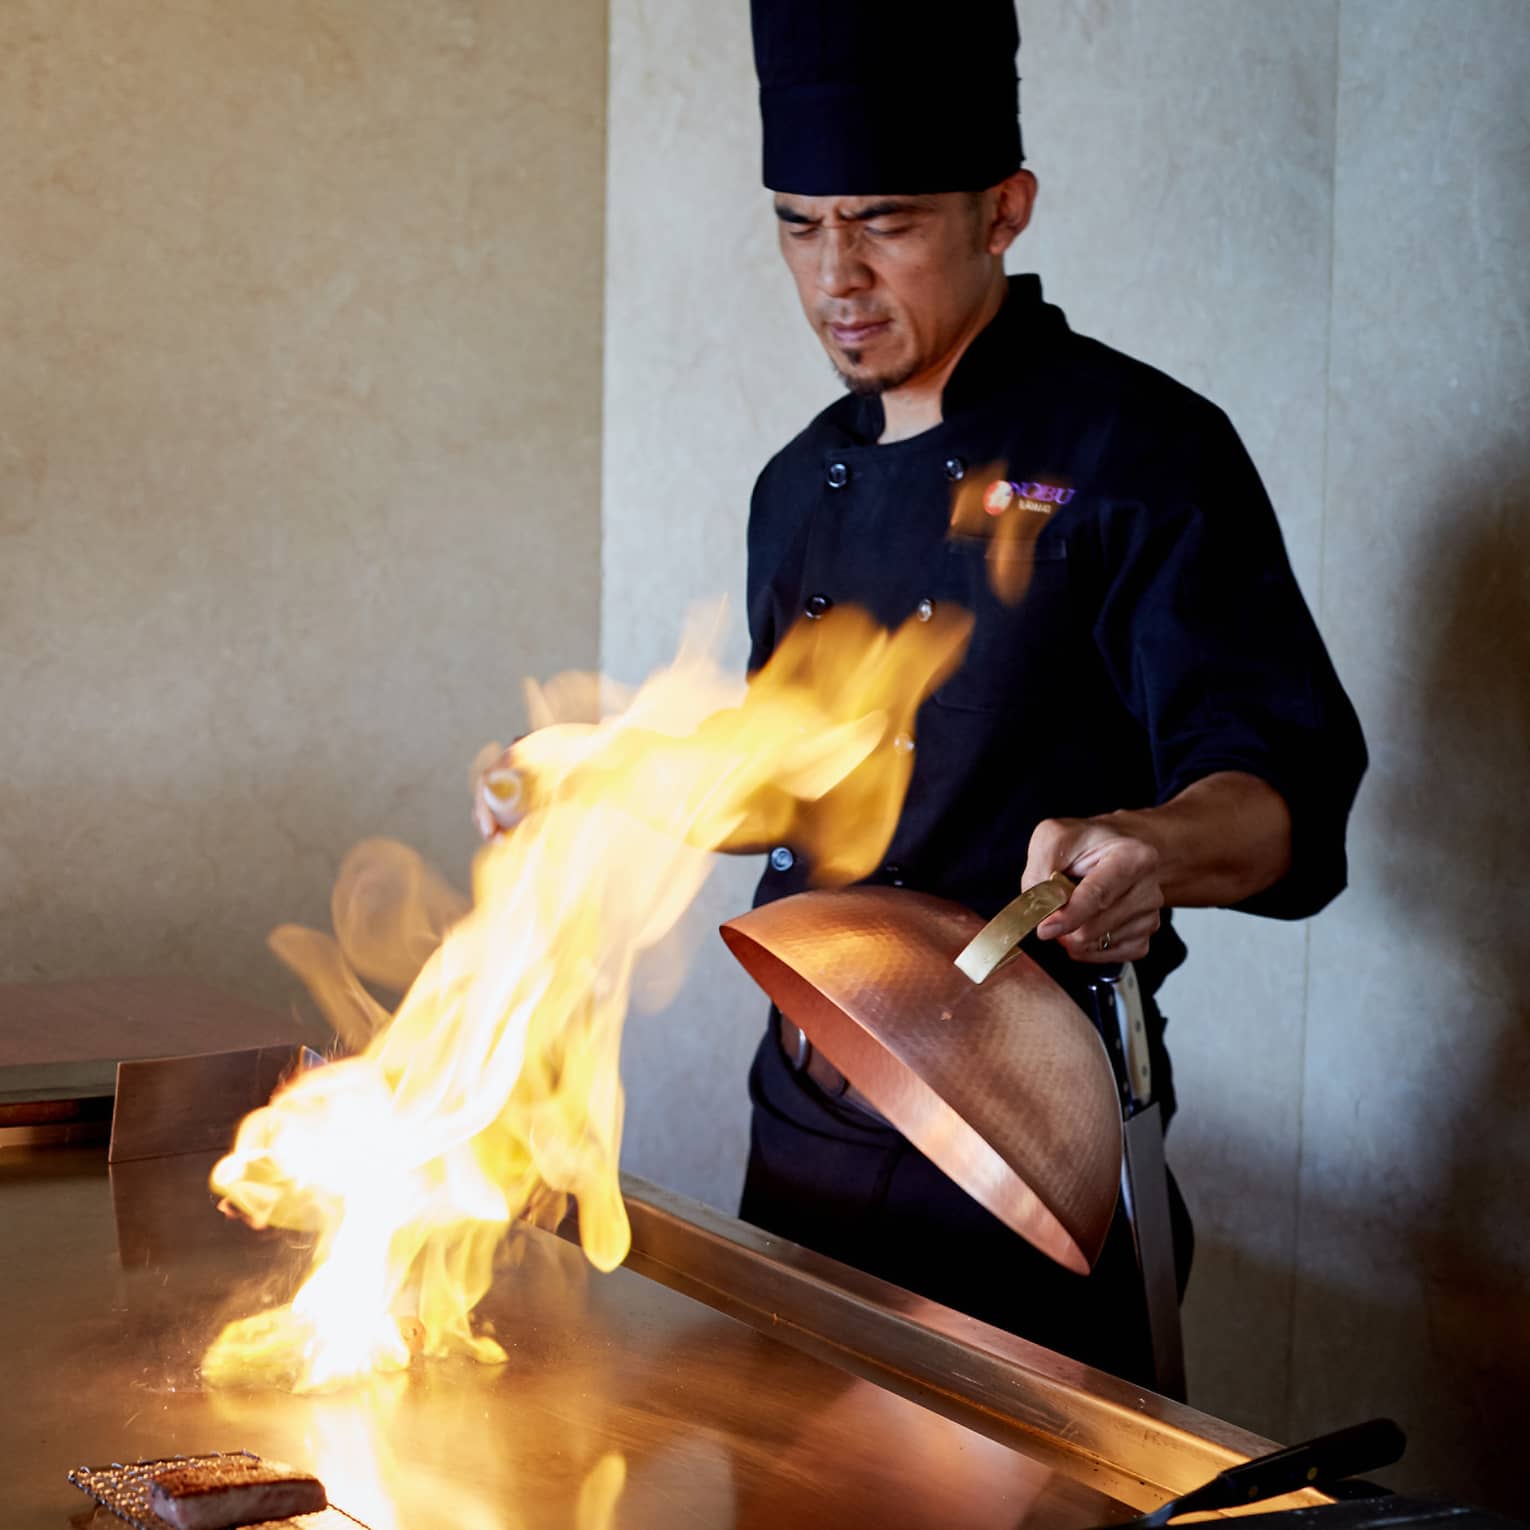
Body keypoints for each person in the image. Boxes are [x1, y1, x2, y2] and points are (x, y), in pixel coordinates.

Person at [731, 0, 1368, 1388]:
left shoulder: (1142, 451)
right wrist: (599, 791)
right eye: (799, 224)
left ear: (1003, 210)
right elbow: (783, 777)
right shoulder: (793, 487)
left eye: (884, 222)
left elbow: (1283, 793)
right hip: (800, 1124)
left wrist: (1151, 848)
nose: (836, 274)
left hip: (1024, 1140)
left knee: (1031, 1483)